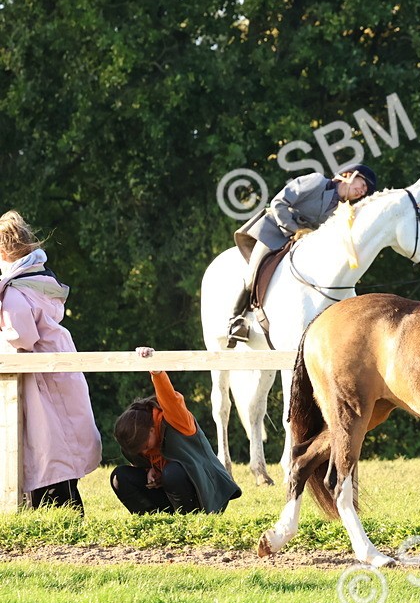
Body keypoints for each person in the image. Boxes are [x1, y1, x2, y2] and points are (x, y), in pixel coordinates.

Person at [0, 211, 101, 513]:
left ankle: (59, 521)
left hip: (39, 377)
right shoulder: (40, 278)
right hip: (57, 367)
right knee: (62, 448)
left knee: (48, 451)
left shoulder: (16, 290)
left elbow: (22, 337)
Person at [226, 163, 379, 346]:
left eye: (365, 191)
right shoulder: (316, 181)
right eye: (362, 185)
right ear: (348, 175)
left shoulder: (343, 211)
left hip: (304, 245)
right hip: (275, 232)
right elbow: (279, 202)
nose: (362, 191)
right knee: (252, 275)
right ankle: (236, 321)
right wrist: (295, 229)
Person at [111, 347, 242, 514]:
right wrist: (149, 470)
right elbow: (146, 460)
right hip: (172, 490)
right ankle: (157, 521)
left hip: (205, 492)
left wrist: (156, 371)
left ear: (151, 429)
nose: (144, 452)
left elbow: (169, 397)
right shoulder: (136, 439)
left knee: (172, 473)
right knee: (120, 477)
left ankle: (189, 521)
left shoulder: (176, 419)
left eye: (145, 446)